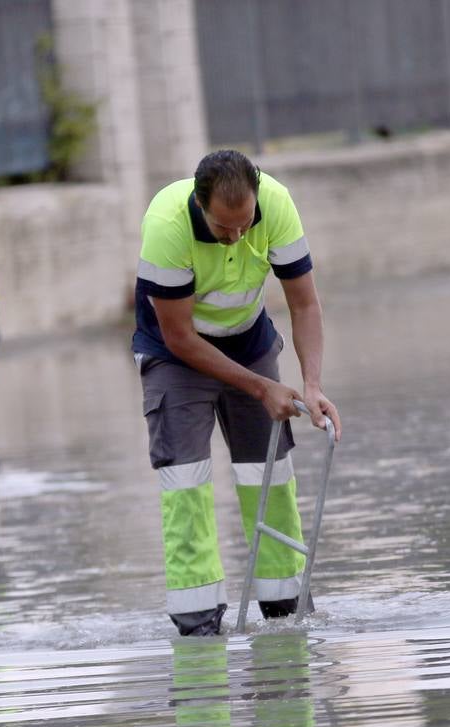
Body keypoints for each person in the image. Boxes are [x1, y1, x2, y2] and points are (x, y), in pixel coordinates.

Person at [134, 149, 341, 636]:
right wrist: (261, 386)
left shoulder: (276, 204)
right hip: (175, 355)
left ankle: (285, 608)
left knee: (267, 474)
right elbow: (180, 337)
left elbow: (304, 302)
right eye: (225, 228)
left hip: (249, 343)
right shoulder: (167, 224)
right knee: (184, 482)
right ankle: (198, 623)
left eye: (245, 223)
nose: (237, 235)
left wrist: (310, 385)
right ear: (199, 204)